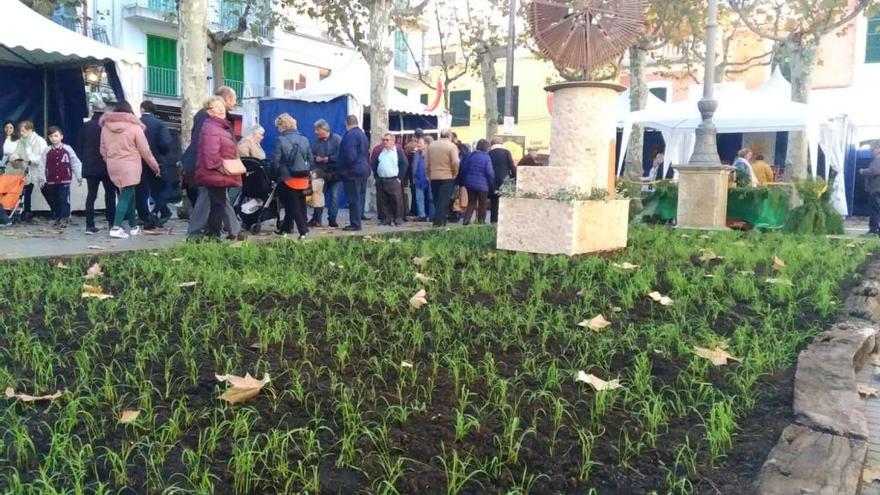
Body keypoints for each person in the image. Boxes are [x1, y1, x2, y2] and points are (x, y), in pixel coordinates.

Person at [181, 86, 240, 238]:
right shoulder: (209, 121)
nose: (235, 102)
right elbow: (208, 147)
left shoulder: (215, 121)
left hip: (211, 166)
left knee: (218, 201)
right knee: (211, 200)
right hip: (211, 167)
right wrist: (221, 166)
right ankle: (201, 232)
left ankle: (229, 230)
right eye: (234, 99)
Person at [100, 101, 161, 239]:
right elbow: (145, 151)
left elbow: (103, 149)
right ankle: (116, 227)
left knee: (130, 192)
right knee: (125, 195)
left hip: (113, 164)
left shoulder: (106, 127)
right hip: (130, 165)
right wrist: (155, 167)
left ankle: (133, 227)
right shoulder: (135, 127)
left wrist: (110, 160)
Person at [193, 96, 243, 240]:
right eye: (216, 106)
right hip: (216, 173)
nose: (220, 108)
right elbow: (211, 155)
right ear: (209, 111)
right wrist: (224, 169)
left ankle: (213, 234)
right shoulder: (212, 127)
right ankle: (213, 236)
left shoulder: (220, 126)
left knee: (218, 204)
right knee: (218, 205)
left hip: (217, 173)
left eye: (221, 105)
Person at [272, 113, 313, 239]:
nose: (277, 129)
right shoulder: (304, 139)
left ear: (282, 125)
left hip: (287, 177)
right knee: (300, 203)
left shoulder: (281, 140)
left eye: (277, 127)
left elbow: (276, 161)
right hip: (303, 177)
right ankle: (284, 229)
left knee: (292, 205)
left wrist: (274, 175)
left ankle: (303, 231)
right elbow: (310, 158)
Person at [79, 107, 117, 234]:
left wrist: (84, 159)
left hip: (90, 166)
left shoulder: (85, 126)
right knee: (110, 195)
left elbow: (79, 146)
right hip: (107, 165)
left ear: (92, 112)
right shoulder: (108, 127)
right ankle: (112, 223)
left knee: (91, 195)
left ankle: (89, 225)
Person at [37, 126, 82, 226]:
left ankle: (65, 218)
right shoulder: (47, 151)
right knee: (53, 199)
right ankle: (57, 216)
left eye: (56, 136)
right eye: (51, 136)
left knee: (64, 199)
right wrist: (41, 179)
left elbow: (75, 162)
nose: (54, 138)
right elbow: (42, 165)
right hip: (51, 180)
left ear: (61, 136)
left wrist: (79, 176)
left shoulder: (68, 149)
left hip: (64, 179)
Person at [139, 100, 173, 226]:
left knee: (144, 190)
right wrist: (162, 154)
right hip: (158, 161)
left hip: (140, 162)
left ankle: (147, 216)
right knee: (165, 188)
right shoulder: (159, 124)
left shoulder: (137, 123)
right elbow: (165, 142)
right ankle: (156, 212)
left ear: (142, 109)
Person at [9, 121, 48, 222]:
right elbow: (17, 152)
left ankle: (56, 210)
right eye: (20, 131)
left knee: (46, 191)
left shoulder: (40, 141)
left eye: (23, 130)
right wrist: (14, 157)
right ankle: (27, 211)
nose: (21, 133)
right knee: (26, 191)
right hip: (27, 170)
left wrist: (32, 160)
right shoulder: (22, 141)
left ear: (30, 130)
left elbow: (44, 157)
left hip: (39, 170)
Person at [337, 114, 370, 231]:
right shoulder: (362, 134)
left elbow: (350, 156)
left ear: (347, 123)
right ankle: (358, 219)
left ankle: (355, 224)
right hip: (363, 170)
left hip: (353, 172)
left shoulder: (350, 136)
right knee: (360, 197)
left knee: (353, 198)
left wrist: (343, 169)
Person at [309, 119, 342, 227]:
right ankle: (316, 220)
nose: (315, 132)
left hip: (335, 173)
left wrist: (328, 159)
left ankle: (332, 220)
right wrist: (315, 158)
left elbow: (341, 155)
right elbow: (310, 155)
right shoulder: (316, 142)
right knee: (318, 196)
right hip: (320, 173)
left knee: (334, 197)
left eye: (317, 130)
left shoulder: (337, 139)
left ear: (324, 129)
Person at [371, 133, 408, 226]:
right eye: (383, 140)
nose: (385, 142)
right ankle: (385, 219)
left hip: (393, 179)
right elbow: (375, 164)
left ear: (393, 141)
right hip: (381, 179)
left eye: (387, 140)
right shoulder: (381, 151)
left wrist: (399, 178)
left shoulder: (397, 151)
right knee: (382, 201)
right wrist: (377, 176)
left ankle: (398, 219)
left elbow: (404, 164)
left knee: (396, 200)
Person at [426, 129, 460, 227]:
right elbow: (455, 162)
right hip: (447, 176)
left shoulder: (431, 145)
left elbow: (427, 162)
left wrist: (428, 174)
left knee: (437, 200)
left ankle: (442, 220)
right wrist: (455, 173)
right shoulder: (452, 146)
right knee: (444, 200)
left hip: (434, 176)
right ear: (450, 136)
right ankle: (438, 222)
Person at [460, 139, 495, 225]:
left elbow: (464, 168)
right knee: (483, 203)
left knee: (471, 203)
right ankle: (481, 221)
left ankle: (466, 220)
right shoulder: (486, 157)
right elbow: (489, 172)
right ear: (486, 147)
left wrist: (465, 180)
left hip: (470, 184)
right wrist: (491, 182)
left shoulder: (471, 155)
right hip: (483, 185)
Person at [488, 137, 516, 223]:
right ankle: (505, 222)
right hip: (505, 181)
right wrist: (515, 177)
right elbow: (512, 166)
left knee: (494, 203)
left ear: (491, 144)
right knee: (505, 203)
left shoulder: (489, 153)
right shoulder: (507, 152)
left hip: (493, 181)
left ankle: (493, 222)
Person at [860, 145, 880, 237]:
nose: (872, 151)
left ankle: (873, 230)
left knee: (875, 209)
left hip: (876, 188)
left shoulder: (878, 158)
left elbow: (874, 171)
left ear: (878, 148)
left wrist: (862, 171)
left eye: (873, 149)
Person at [412, 136, 433, 221]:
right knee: (419, 198)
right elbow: (414, 166)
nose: (418, 145)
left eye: (420, 143)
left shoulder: (431, 154)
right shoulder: (417, 154)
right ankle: (422, 215)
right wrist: (414, 176)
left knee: (431, 198)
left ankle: (432, 215)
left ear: (426, 144)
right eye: (418, 143)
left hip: (430, 178)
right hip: (418, 178)